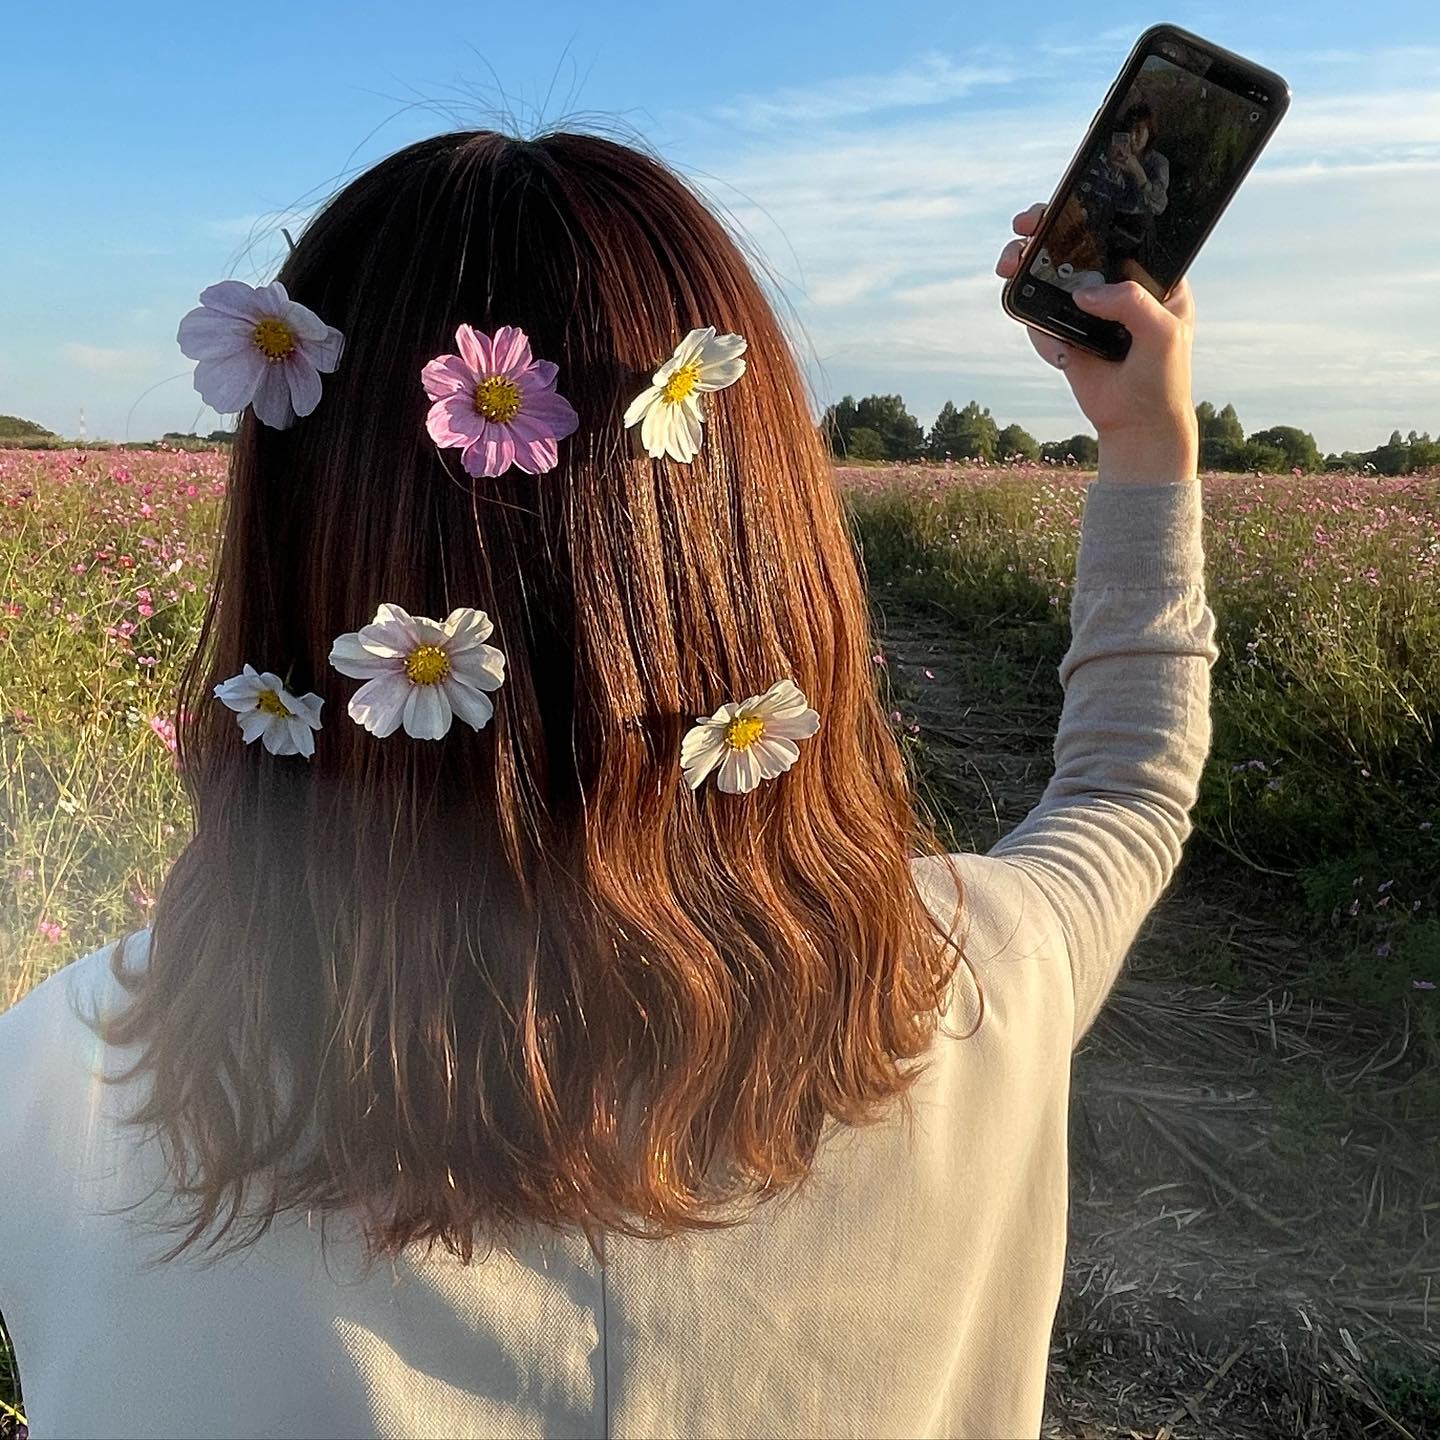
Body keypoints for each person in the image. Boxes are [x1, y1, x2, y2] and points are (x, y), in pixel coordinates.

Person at [0, 131, 1216, 1440]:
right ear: (764, 530)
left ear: (290, 539)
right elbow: (1128, 793)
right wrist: (1149, 439)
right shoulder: (968, 987)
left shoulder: (61, 1089)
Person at [1081, 100, 1172, 286]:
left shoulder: (1157, 163)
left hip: (1138, 230)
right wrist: (1109, 168)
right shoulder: (1110, 155)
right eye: (1129, 131)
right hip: (1105, 223)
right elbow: (1093, 188)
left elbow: (1159, 205)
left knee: (1130, 281)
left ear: (1149, 133)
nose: (1133, 138)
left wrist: (1139, 175)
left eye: (1139, 131)